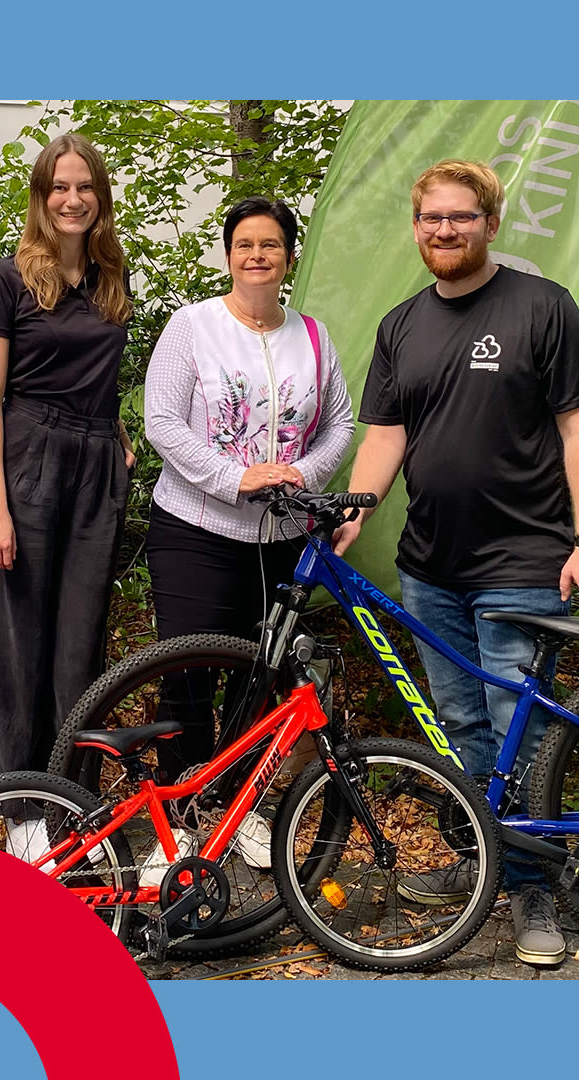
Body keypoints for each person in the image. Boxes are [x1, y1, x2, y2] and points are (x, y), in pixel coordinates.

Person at [332, 159, 579, 968]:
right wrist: (359, 505)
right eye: (431, 219)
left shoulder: (541, 307)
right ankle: (485, 858)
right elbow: (387, 433)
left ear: (491, 223)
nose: (444, 231)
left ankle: (531, 887)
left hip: (524, 563)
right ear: (415, 228)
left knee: (516, 733)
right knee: (460, 726)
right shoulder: (401, 324)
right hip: (431, 567)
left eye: (460, 217)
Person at [142, 196, 354, 870]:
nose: (257, 255)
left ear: (290, 257)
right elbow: (161, 422)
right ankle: (179, 826)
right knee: (188, 678)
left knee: (260, 684)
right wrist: (236, 478)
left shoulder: (314, 336)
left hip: (280, 540)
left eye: (271, 244)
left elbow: (341, 423)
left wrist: (297, 471)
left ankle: (239, 810)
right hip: (195, 529)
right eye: (244, 244)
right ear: (228, 255)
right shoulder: (192, 327)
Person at [0, 133, 137, 865]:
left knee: (79, 649)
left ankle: (74, 803)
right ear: (42, 197)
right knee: (14, 644)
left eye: (85, 186)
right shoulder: (7, 280)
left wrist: (117, 434)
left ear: (100, 197)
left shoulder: (112, 281)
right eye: (59, 187)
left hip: (94, 469)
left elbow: (96, 376)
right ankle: (20, 807)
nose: (72, 199)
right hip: (25, 465)